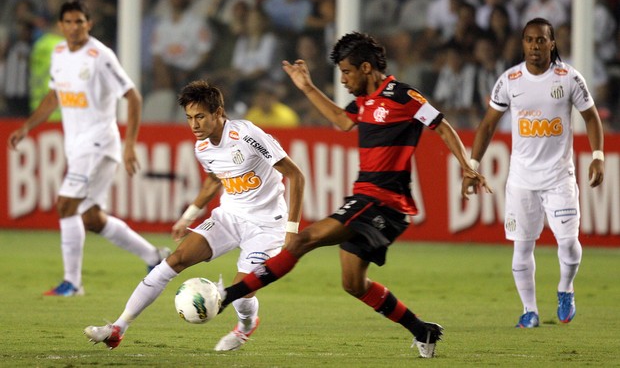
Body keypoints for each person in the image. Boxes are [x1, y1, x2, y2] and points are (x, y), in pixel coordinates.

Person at [216, 32, 490, 358]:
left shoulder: (403, 96)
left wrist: (467, 166)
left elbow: (442, 126)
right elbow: (340, 121)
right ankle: (423, 330)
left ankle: (227, 295)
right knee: (353, 283)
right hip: (366, 199)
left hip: (383, 201)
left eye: (346, 72)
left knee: (303, 240)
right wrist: (306, 87)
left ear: (365, 67)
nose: (343, 80)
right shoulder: (363, 102)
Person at [83, 80, 305, 351]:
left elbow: (295, 174)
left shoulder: (247, 135)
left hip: (266, 226)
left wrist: (292, 229)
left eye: (200, 116)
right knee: (172, 261)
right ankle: (118, 328)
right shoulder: (202, 148)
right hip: (229, 218)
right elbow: (214, 180)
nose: (194, 124)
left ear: (218, 113)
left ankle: (246, 326)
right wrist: (188, 216)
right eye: (189, 118)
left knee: (241, 297)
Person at [7, 0, 169, 296]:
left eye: (79, 21)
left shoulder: (100, 56)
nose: (74, 27)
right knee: (91, 218)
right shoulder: (58, 53)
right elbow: (53, 97)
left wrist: (130, 143)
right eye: (68, 22)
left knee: (66, 205)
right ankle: (154, 257)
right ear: (60, 26)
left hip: (98, 142)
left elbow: (133, 96)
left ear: (88, 24)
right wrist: (27, 126)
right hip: (79, 145)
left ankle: (73, 283)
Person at [463, 18, 605, 328]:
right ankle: (530, 311)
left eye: (541, 40)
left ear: (552, 43)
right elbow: (487, 125)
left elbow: (591, 117)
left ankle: (565, 289)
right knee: (522, 246)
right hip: (522, 181)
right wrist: (472, 166)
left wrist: (597, 156)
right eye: (529, 40)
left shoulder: (569, 78)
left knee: (568, 243)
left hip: (559, 178)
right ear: (523, 43)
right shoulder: (510, 80)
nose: (534, 46)